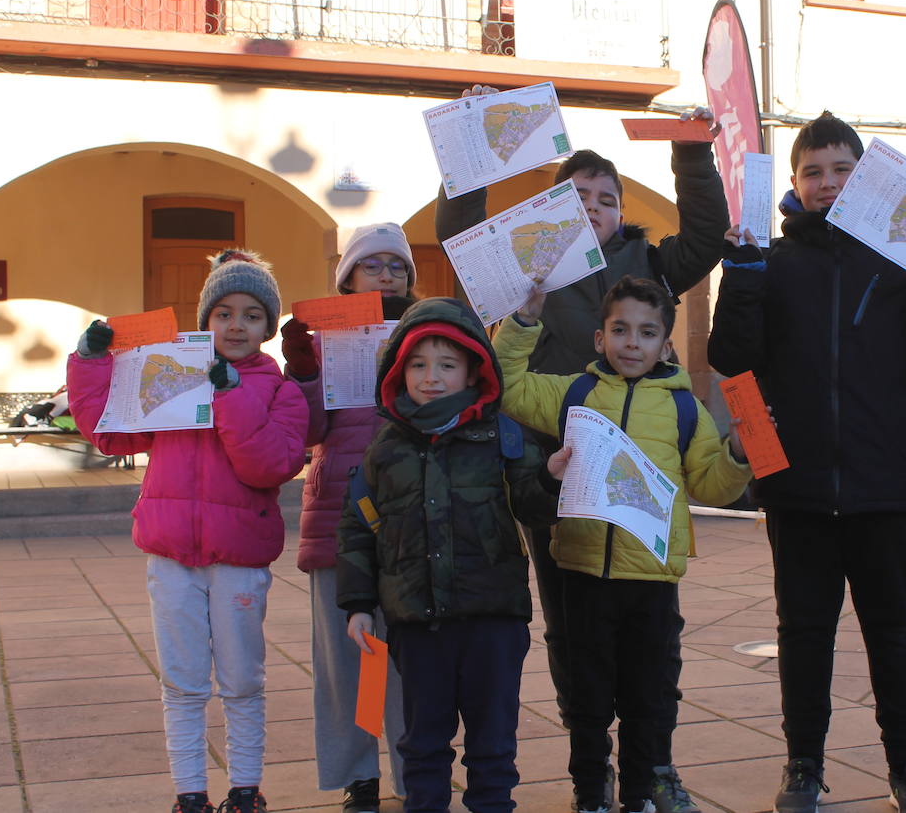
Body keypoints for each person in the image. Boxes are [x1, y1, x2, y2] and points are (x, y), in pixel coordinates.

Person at [435, 85, 729, 813]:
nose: (593, 206)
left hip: (642, 483)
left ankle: (652, 768)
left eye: (605, 196)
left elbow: (708, 234)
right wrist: (471, 146)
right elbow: (459, 234)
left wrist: (692, 150)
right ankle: (588, 769)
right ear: (557, 206)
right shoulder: (527, 262)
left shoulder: (651, 266)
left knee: (652, 635)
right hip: (552, 473)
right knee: (573, 629)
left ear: (621, 210)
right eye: (579, 195)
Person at [706, 112, 906, 813]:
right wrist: (739, 271)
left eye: (842, 170)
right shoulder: (771, 261)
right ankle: (803, 765)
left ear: (865, 178)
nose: (827, 183)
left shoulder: (904, 256)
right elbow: (731, 357)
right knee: (803, 633)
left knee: (896, 630)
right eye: (813, 172)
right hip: (797, 486)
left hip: (886, 480)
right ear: (795, 184)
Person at [496, 276, 752, 813]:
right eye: (620, 330)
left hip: (652, 583)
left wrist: (736, 455)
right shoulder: (574, 393)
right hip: (582, 573)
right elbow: (509, 384)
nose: (631, 343)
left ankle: (638, 793)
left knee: (649, 697)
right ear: (599, 338)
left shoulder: (686, 411)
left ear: (665, 344)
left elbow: (710, 484)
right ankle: (590, 790)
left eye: (646, 332)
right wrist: (523, 323)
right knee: (587, 698)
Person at [67, 250, 309, 813]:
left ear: (267, 328)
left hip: (239, 558)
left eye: (252, 315)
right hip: (171, 553)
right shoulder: (169, 376)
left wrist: (228, 396)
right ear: (206, 320)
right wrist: (90, 362)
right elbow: (109, 430)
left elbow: (269, 465)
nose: (236, 325)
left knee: (242, 678)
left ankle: (246, 788)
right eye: (223, 313)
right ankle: (190, 793)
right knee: (182, 681)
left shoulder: (279, 391)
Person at [337, 296, 566, 813]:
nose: (431, 376)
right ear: (398, 370)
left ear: (472, 370)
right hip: (417, 625)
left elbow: (532, 507)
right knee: (423, 742)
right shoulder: (386, 448)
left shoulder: (503, 436)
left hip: (493, 621)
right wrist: (357, 603)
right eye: (418, 364)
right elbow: (357, 527)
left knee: (492, 743)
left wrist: (550, 479)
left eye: (446, 364)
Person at [280, 222, 416, 813]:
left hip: (413, 511)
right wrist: (304, 371)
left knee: (411, 659)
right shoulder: (324, 339)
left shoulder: (426, 329)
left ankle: (417, 771)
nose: (386, 274)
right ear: (347, 277)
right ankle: (357, 773)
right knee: (349, 659)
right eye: (372, 264)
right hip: (338, 510)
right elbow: (308, 432)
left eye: (397, 265)